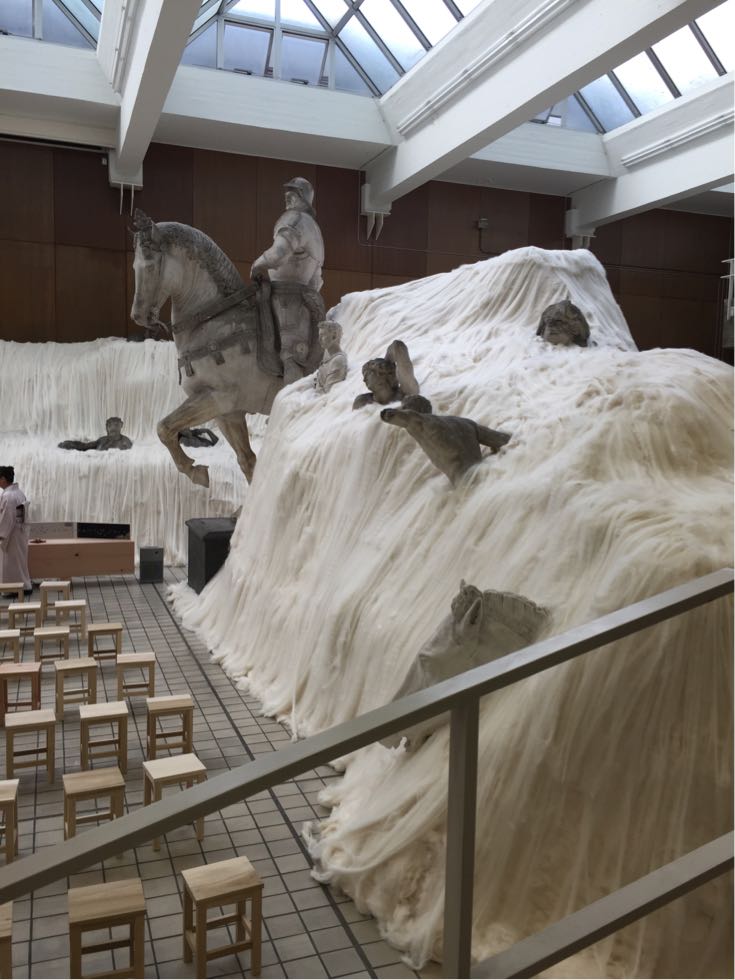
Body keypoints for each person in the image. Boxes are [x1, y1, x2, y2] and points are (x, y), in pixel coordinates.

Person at [251, 177, 325, 384]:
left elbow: (279, 253)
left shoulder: (295, 219)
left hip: (287, 299)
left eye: (293, 194)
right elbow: (317, 279)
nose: (287, 197)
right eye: (287, 193)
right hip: (301, 296)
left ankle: (291, 400)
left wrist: (258, 264)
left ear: (303, 198)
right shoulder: (315, 228)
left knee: (291, 356)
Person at [0, 465, 32, 594]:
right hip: (19, 531)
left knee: (11, 563)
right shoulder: (18, 493)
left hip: (11, 533)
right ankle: (23, 586)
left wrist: (1, 535)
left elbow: (7, 518)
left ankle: (13, 589)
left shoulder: (8, 496)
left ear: (3, 479)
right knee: (19, 562)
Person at [58, 416, 133, 452]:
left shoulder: (125, 442)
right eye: (110, 425)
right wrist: (70, 444)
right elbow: (84, 446)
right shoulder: (103, 440)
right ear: (107, 427)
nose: (113, 428)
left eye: (116, 425)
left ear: (121, 425)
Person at [314, 321, 348, 393]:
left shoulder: (338, 360)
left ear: (334, 336)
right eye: (319, 335)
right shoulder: (328, 357)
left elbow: (329, 393)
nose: (319, 339)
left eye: (322, 335)